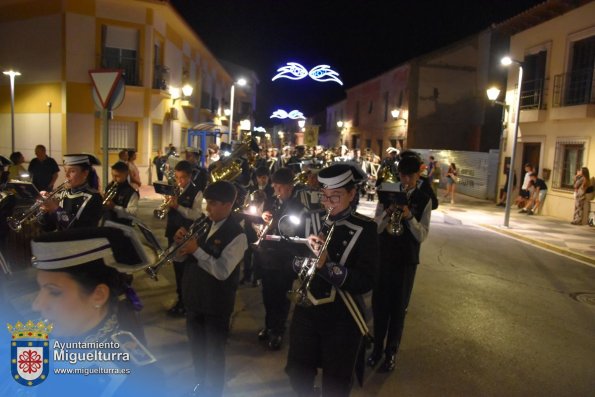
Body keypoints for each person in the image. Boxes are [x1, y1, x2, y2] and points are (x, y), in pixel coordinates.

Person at [27, 225, 163, 396]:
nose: (37, 305)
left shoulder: (137, 379)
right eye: (40, 289)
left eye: (54, 292)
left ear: (98, 295)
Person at [286, 163, 378, 396]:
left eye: (335, 197)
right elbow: (292, 259)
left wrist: (326, 266)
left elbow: (366, 280)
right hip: (306, 310)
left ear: (352, 194)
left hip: (341, 317)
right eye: (325, 197)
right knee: (297, 372)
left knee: (336, 383)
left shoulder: (365, 229)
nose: (328, 204)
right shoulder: (313, 220)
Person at [174, 181, 248, 397]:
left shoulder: (238, 234)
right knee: (197, 351)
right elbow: (180, 258)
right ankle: (199, 386)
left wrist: (196, 250)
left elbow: (222, 271)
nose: (207, 209)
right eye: (208, 203)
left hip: (216, 304)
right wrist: (180, 245)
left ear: (228, 205)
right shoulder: (203, 223)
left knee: (214, 355)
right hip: (194, 298)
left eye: (213, 204)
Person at [368, 155, 431, 373]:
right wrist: (387, 212)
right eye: (402, 175)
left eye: (410, 176)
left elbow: (422, 234)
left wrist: (408, 216)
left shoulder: (424, 199)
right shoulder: (387, 192)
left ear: (418, 175)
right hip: (383, 257)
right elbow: (375, 227)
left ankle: (390, 353)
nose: (405, 180)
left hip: (406, 261)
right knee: (379, 306)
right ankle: (376, 349)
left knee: (397, 309)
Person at [254, 167, 307, 351]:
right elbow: (264, 221)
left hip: (285, 257)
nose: (276, 190)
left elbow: (294, 232)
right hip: (268, 255)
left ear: (290, 187)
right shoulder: (273, 202)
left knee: (281, 297)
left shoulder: (297, 207)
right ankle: (269, 326)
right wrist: (263, 217)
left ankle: (278, 330)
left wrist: (275, 222)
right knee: (267, 294)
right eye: (274, 186)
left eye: (280, 187)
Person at [165, 160, 203, 316]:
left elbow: (196, 215)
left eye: (182, 178)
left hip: (185, 234)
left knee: (184, 271)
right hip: (172, 231)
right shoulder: (174, 190)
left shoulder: (197, 192)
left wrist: (177, 207)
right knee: (176, 269)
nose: (179, 181)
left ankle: (185, 302)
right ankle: (181, 298)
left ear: (190, 177)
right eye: (177, 177)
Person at [40, 154, 103, 231]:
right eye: (66, 171)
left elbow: (81, 230)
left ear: (85, 173)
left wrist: (55, 209)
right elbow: (48, 228)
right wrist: (46, 211)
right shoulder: (62, 194)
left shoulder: (94, 197)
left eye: (72, 171)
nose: (66, 175)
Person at [102, 161, 139, 226]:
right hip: (107, 223)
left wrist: (114, 207)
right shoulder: (109, 187)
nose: (114, 179)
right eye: (112, 175)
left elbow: (133, 213)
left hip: (122, 226)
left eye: (117, 176)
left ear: (126, 174)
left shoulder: (131, 193)